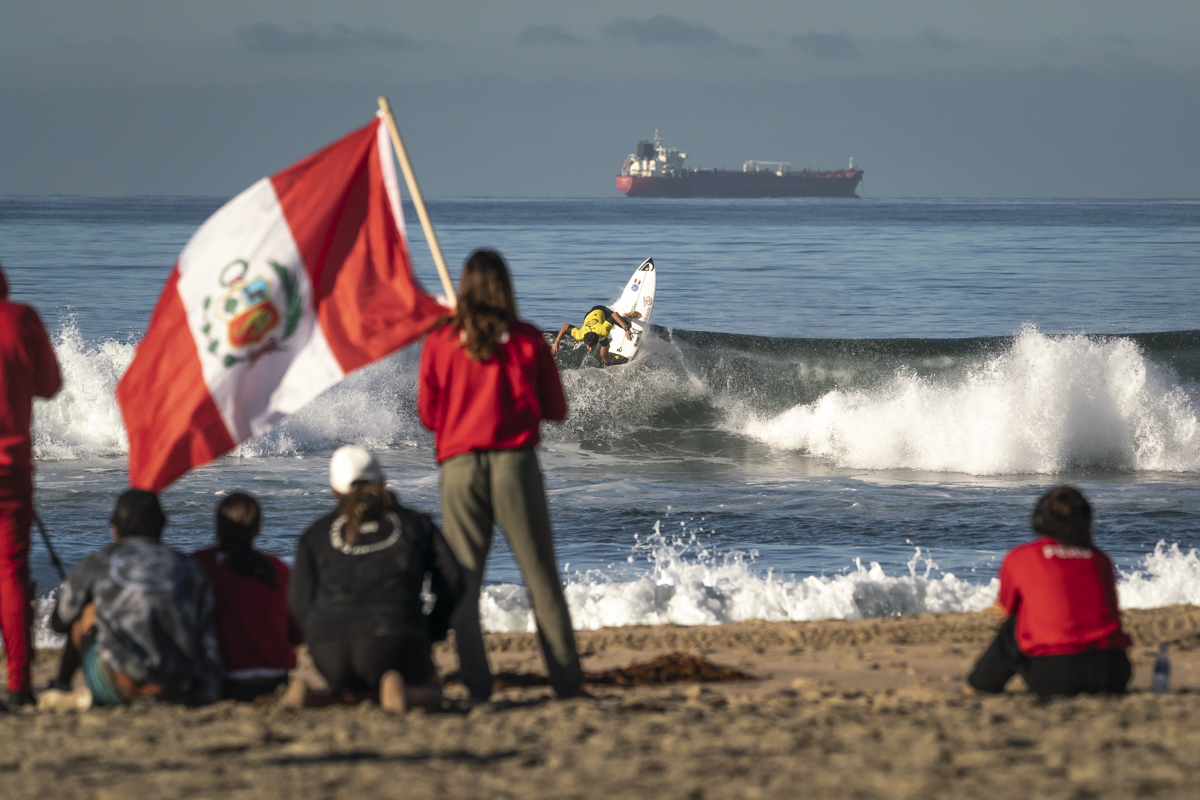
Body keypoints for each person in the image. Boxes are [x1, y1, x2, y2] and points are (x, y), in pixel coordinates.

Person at [419, 249, 585, 702]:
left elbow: (429, 416)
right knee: (541, 577)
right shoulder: (528, 340)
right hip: (515, 465)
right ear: (506, 287)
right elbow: (557, 410)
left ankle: (477, 688)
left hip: (459, 468)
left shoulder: (440, 340)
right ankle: (568, 685)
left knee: (465, 584)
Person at [288, 446, 465, 713]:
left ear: (334, 490)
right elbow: (454, 581)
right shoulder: (416, 523)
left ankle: (311, 694)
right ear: (382, 481)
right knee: (432, 687)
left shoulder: (315, 533)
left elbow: (299, 601)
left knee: (347, 692)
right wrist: (432, 631)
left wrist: (316, 636)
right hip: (395, 642)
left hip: (329, 651)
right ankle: (400, 690)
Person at [41, 489, 222, 709]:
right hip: (179, 689)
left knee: (87, 612)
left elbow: (59, 623)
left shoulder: (98, 562)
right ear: (163, 525)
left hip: (116, 689)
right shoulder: (193, 569)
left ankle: (62, 685)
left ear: (114, 528)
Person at [967, 485, 1133, 698]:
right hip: (1113, 673)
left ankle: (981, 684)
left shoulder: (1021, 557)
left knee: (1014, 625)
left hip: (1057, 676)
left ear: (1040, 519)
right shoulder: (1100, 559)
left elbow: (1004, 610)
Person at [0, 260, 62, 708]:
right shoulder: (21, 319)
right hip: (11, 467)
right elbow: (50, 385)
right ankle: (20, 684)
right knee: (11, 573)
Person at [192, 492, 303, 702]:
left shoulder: (200, 564)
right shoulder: (277, 568)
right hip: (276, 676)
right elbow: (296, 634)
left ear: (218, 526)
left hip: (222, 679)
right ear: (258, 528)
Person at [551, 304, 640, 366]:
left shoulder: (603, 331)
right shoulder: (580, 335)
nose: (590, 349)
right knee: (605, 346)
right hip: (589, 315)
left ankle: (626, 315)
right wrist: (556, 343)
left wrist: (626, 329)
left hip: (602, 311)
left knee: (628, 324)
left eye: (592, 347)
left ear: (596, 341)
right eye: (589, 347)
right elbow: (565, 327)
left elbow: (614, 315)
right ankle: (607, 364)